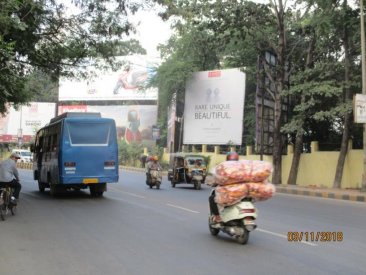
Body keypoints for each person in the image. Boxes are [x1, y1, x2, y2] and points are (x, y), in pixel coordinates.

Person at [209, 151, 239, 223]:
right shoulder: (243, 169)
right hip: (241, 194)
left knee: (212, 199)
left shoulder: (224, 169)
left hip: (229, 194)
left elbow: (218, 179)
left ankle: (217, 217)